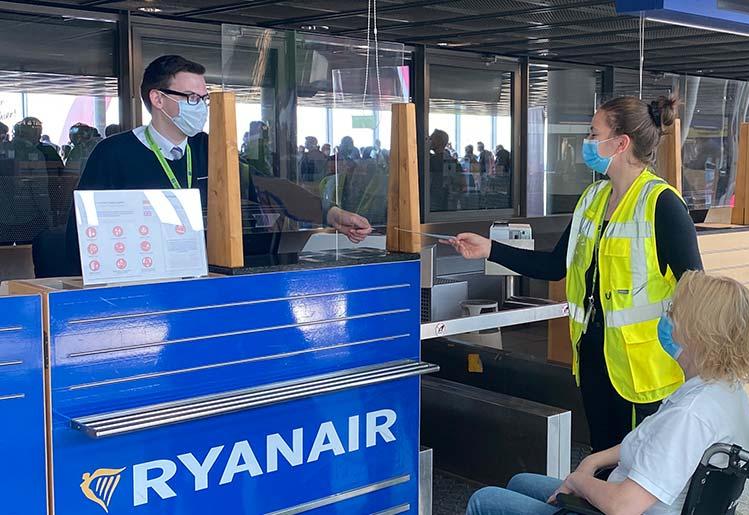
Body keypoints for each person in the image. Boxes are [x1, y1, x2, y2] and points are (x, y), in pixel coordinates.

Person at [445, 96, 703, 452]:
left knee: (637, 471)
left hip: (645, 371)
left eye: (594, 133)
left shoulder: (662, 205)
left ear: (621, 142)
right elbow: (555, 266)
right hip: (596, 361)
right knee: (603, 457)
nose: (587, 142)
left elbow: (698, 290)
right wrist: (489, 249)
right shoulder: (593, 199)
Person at [466, 271, 749, 515]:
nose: (667, 318)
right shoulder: (725, 392)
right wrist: (594, 461)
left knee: (486, 500)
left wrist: (579, 482)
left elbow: (624, 506)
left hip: (622, 506)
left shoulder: (690, 415)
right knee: (520, 481)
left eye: (675, 312)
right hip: (640, 497)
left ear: (699, 334)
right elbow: (651, 447)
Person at [63, 55, 371, 275]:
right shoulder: (114, 153)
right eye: (191, 97)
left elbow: (265, 186)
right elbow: (82, 228)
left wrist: (331, 213)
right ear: (157, 99)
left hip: (202, 274)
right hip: (139, 281)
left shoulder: (207, 147)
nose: (199, 107)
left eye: (203, 98)